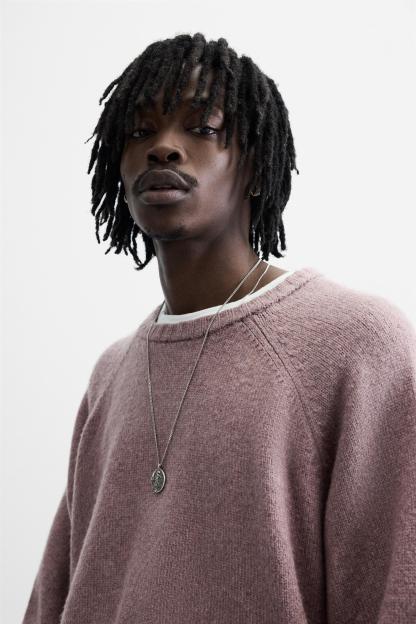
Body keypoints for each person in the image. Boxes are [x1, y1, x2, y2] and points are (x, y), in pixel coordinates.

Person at [22, 33, 416, 623]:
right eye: (140, 131)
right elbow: (56, 597)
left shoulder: (357, 345)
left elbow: (397, 589)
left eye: (201, 128)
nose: (163, 147)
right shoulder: (112, 375)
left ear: (256, 167)